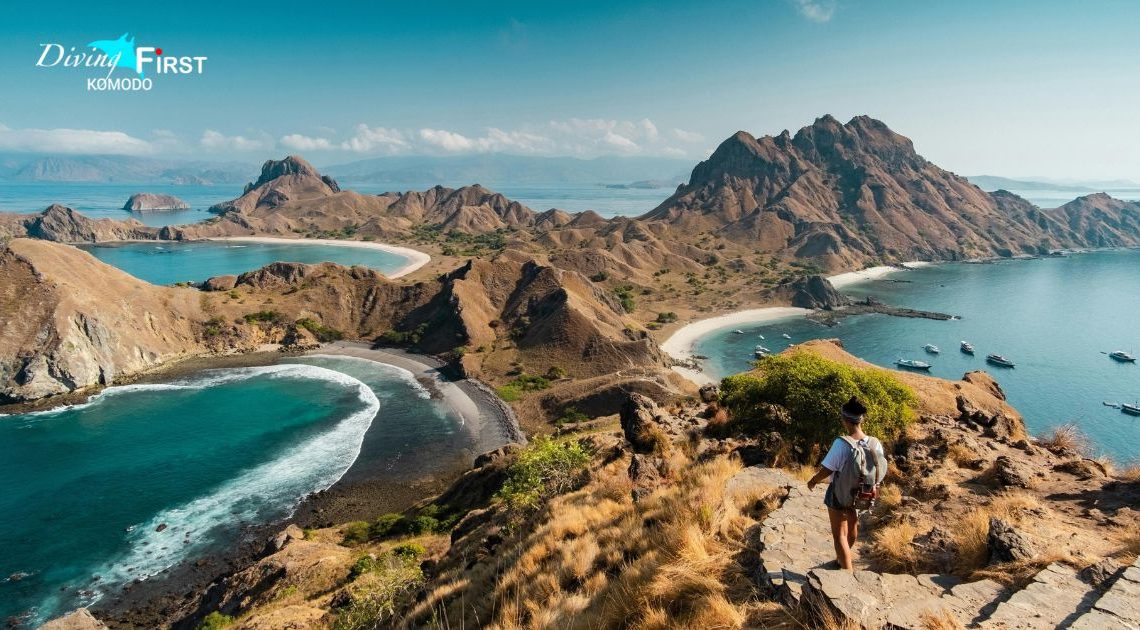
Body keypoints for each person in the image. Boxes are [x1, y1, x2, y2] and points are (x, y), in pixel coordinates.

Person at [806, 396, 885, 571]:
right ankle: (844, 558)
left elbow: (827, 470)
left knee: (839, 534)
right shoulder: (875, 443)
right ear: (861, 419)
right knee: (852, 523)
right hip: (862, 492)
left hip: (839, 493)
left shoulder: (842, 443)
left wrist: (813, 481)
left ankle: (847, 573)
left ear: (844, 419)